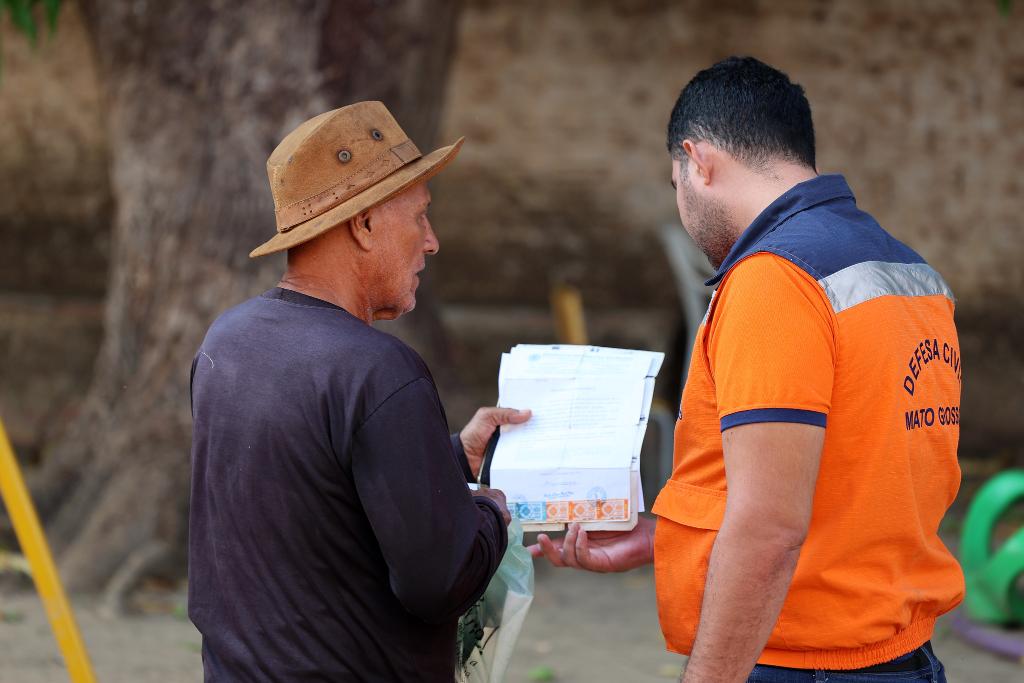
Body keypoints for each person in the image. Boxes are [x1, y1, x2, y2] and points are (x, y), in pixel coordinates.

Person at [531, 57, 963, 682]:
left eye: (674, 182)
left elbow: (770, 528)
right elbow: (860, 484)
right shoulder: (908, 272)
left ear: (698, 161)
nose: (680, 202)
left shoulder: (774, 279)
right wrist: (670, 537)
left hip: (804, 664)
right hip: (900, 655)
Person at [188, 101, 528, 682]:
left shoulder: (230, 340)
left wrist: (449, 459)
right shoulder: (380, 372)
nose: (432, 242)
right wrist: (493, 511)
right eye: (419, 217)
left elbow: (314, 496)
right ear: (364, 225)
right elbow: (438, 583)